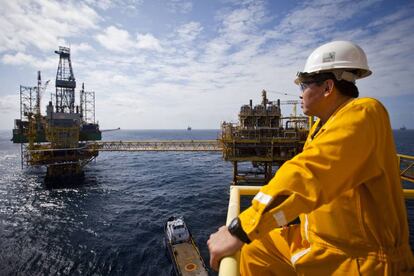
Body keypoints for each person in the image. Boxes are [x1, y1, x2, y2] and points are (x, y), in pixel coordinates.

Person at [207, 41, 414, 275]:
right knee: (255, 252)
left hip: (360, 257)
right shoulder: (319, 128)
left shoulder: (365, 113)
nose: (300, 92)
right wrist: (276, 219)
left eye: (304, 84)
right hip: (315, 239)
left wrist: (241, 228)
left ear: (327, 87)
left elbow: (308, 174)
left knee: (248, 241)